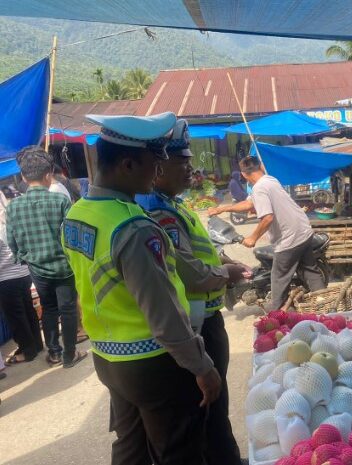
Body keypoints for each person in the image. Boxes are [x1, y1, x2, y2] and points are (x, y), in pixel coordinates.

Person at [62, 112, 221, 465]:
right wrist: (202, 366)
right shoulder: (133, 228)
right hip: (152, 363)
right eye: (155, 162)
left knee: (130, 448)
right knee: (179, 452)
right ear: (128, 164)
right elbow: (163, 314)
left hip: (109, 358)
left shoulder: (78, 214)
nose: (158, 170)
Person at [136, 119, 244, 464]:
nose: (189, 168)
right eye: (180, 162)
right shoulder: (157, 211)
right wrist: (225, 272)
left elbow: (199, 249)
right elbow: (190, 273)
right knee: (210, 414)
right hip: (196, 324)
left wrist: (222, 258)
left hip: (202, 318)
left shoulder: (173, 204)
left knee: (214, 411)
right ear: (157, 167)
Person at [208, 156, 326, 309]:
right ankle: (325, 303)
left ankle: (276, 315)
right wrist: (221, 209)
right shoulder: (269, 180)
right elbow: (249, 204)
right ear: (261, 167)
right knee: (311, 271)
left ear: (243, 175)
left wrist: (253, 237)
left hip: (289, 238)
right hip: (303, 231)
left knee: (278, 278)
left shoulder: (259, 188)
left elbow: (268, 217)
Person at [6, 146, 86, 368]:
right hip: (64, 266)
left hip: (37, 269)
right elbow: (72, 235)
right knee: (68, 308)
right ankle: (70, 354)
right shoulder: (60, 202)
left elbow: (11, 240)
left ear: (23, 176)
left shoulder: (13, 207)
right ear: (49, 175)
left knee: (48, 308)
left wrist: (25, 257)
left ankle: (54, 353)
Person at [0, 190, 43, 364]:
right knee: (28, 309)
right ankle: (36, 344)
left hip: (6, 277)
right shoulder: (10, 219)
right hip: (23, 272)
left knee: (16, 316)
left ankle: (28, 350)